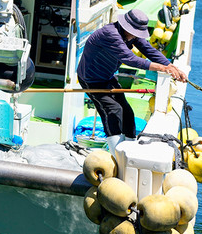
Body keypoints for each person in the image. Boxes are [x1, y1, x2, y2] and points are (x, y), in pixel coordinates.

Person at [77, 8, 187, 140]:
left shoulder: (130, 35)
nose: (135, 35)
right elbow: (130, 59)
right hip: (91, 79)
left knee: (127, 112)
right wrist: (162, 68)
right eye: (134, 32)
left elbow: (148, 50)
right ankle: (115, 147)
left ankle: (129, 142)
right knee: (113, 110)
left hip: (107, 77)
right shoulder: (110, 34)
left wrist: (171, 66)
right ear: (125, 26)